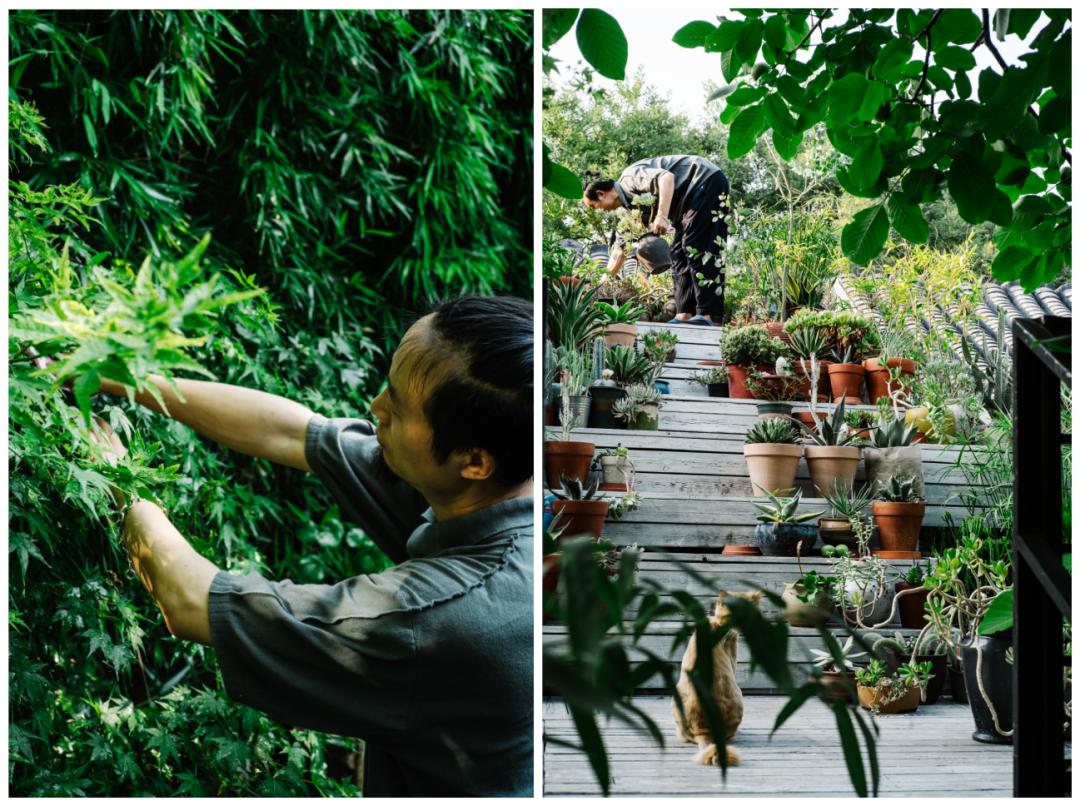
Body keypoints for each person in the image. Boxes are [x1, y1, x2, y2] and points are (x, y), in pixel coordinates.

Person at [89, 294, 534, 797]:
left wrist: (117, 477)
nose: (375, 408)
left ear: (473, 460)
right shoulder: (498, 488)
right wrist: (113, 375)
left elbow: (190, 601)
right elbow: (288, 432)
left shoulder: (442, 620)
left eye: (396, 403)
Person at [584, 155, 731, 326]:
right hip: (689, 201)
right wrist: (599, 285)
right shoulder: (629, 211)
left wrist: (661, 216)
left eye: (594, 206)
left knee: (698, 245)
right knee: (678, 253)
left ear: (601, 194)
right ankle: (684, 313)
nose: (600, 211)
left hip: (704, 180)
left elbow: (666, 177)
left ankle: (709, 315)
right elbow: (620, 251)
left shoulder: (629, 178)